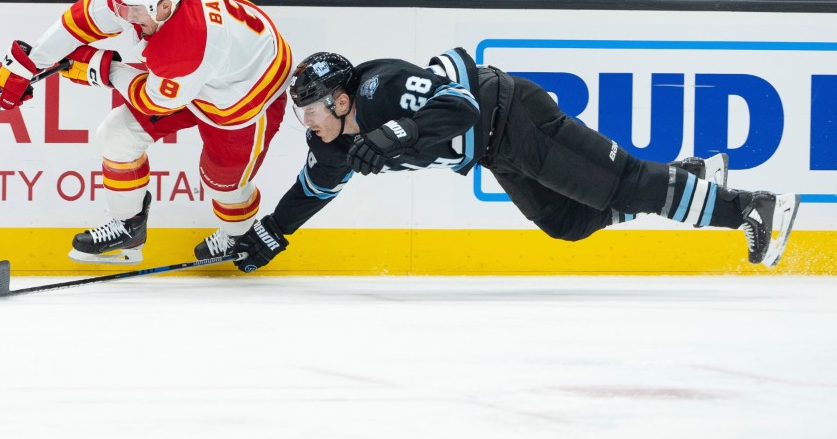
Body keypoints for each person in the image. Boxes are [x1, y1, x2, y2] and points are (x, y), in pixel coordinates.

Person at [227, 49, 799, 273]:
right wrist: (273, 232)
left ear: (342, 99)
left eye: (308, 110)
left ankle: (750, 208)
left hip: (513, 115)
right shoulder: (330, 146)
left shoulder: (382, 87)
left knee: (621, 183)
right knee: (568, 223)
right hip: (498, 152)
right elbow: (313, 190)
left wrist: (396, 132)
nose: (305, 121)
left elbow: (460, 105)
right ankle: (686, 179)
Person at [0, 0, 294, 264]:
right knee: (116, 135)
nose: (128, 19)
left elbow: (151, 100)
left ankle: (238, 236)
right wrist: (26, 66)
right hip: (196, 74)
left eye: (135, 13)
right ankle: (127, 226)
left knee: (223, 181)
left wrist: (102, 69)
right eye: (126, 8)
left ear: (165, 7)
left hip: (246, 94)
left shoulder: (185, 45)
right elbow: (79, 21)